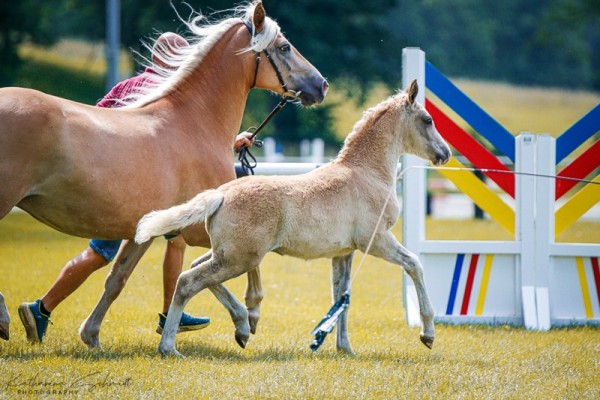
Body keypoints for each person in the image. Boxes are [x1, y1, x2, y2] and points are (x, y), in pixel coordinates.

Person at [18, 32, 255, 343]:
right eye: (180, 58)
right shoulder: (164, 93)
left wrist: (231, 142)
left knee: (170, 239)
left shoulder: (127, 86)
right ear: (166, 59)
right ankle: (43, 307)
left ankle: (167, 313)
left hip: (123, 182)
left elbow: (92, 119)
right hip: (130, 190)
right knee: (104, 252)